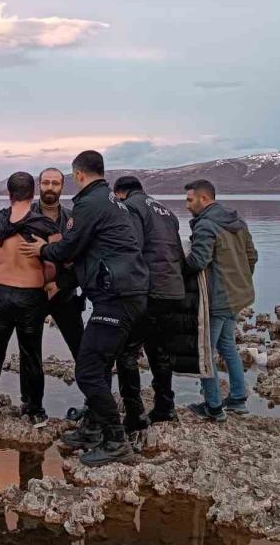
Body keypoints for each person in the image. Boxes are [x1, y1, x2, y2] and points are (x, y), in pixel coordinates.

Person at [20, 151, 149, 466]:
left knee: (88, 370)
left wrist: (44, 249)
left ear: (78, 175)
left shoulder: (90, 203)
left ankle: (116, 441)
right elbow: (93, 251)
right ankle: (93, 428)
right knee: (99, 364)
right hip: (129, 292)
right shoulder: (114, 201)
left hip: (116, 296)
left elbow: (69, 248)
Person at [0, 172, 58, 434]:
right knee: (32, 355)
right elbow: (56, 263)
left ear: (9, 194)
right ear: (33, 194)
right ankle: (35, 411)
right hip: (30, 295)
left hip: (0, 292)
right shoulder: (45, 224)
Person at [113, 175, 186, 427]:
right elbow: (177, 252)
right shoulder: (166, 212)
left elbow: (133, 249)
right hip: (173, 290)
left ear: (119, 193)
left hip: (148, 290)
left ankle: (134, 414)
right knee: (159, 351)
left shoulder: (130, 207)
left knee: (126, 352)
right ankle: (165, 406)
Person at [183, 179, 258, 422]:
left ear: (204, 199)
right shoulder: (237, 221)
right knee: (227, 346)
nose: (187, 205)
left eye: (190, 200)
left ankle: (213, 407)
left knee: (205, 352)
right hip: (238, 295)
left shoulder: (206, 225)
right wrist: (240, 281)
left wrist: (176, 265)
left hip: (218, 299)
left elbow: (198, 261)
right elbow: (252, 256)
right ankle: (237, 398)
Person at [31, 168, 85, 358]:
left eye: (55, 183)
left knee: (81, 350)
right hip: (32, 295)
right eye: (46, 183)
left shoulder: (74, 219)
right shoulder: (24, 215)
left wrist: (61, 284)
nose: (50, 187)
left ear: (62, 186)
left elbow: (84, 260)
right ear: (39, 185)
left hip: (65, 294)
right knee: (30, 354)